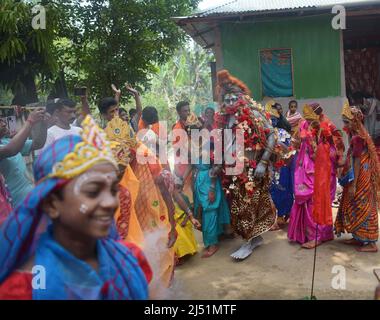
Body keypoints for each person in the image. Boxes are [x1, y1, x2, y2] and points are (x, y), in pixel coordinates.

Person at [0, 116, 152, 300]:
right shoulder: (22, 290)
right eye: (93, 191)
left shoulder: (130, 259)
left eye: (113, 190)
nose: (111, 202)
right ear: (52, 203)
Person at [216, 70, 278, 260]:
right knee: (240, 205)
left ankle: (247, 243)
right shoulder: (226, 119)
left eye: (233, 97)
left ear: (241, 96)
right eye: (226, 98)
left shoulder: (252, 113)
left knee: (246, 205)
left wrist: (263, 162)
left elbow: (272, 135)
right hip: (233, 169)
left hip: (252, 168)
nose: (229, 101)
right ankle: (255, 238)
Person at [288, 104, 339, 248]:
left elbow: (336, 149)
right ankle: (316, 234)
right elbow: (299, 140)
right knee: (306, 201)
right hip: (304, 168)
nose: (308, 123)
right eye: (307, 120)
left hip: (322, 169)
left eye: (311, 120)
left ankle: (317, 236)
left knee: (316, 202)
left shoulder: (327, 126)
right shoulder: (304, 123)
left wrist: (319, 148)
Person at [334, 103, 380, 253]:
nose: (344, 125)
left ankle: (371, 243)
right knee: (355, 203)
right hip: (360, 171)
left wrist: (353, 183)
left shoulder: (358, 138)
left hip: (362, 174)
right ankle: (358, 237)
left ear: (354, 121)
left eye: (346, 122)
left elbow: (357, 161)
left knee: (363, 203)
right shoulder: (355, 134)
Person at [0, 108, 48, 207]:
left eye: (2, 120)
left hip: (30, 200)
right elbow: (11, 149)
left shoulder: (6, 141)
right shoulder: (10, 145)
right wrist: (30, 121)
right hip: (13, 207)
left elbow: (37, 143)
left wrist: (44, 124)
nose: (4, 123)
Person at [267, 103, 294, 230]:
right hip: (270, 166)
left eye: (274, 119)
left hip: (282, 165)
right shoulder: (265, 133)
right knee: (272, 191)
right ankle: (275, 216)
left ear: (277, 120)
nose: (271, 121)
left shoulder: (283, 132)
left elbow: (288, 149)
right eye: (269, 119)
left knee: (283, 190)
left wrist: (276, 143)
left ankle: (283, 215)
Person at [351, 92, 380, 160]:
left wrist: (379, 112)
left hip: (375, 118)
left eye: (356, 99)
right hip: (368, 120)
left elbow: (376, 108)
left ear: (360, 98)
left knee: (375, 133)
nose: (355, 101)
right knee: (367, 134)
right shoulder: (357, 105)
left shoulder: (372, 101)